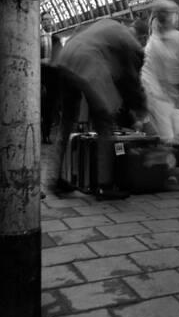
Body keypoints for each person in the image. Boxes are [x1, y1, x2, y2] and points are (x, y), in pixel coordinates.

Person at [49, 19, 148, 199]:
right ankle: (104, 185)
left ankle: (56, 180)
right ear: (143, 37)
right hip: (88, 62)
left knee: (67, 122)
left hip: (65, 57)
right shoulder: (134, 46)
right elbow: (131, 81)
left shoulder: (110, 26)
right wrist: (140, 110)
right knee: (104, 123)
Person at [141, 0, 179, 165]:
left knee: (175, 128)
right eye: (173, 15)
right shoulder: (156, 43)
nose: (175, 18)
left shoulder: (174, 37)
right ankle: (163, 166)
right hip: (155, 88)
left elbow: (176, 67)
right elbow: (166, 71)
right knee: (168, 131)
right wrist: (175, 95)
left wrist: (177, 94)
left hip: (163, 89)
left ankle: (168, 165)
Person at [40, 11, 62, 144]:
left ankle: (46, 134)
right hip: (42, 74)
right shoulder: (38, 37)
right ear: (41, 22)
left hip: (54, 76)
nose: (48, 22)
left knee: (51, 106)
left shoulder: (56, 37)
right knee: (42, 105)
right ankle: (43, 132)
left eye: (50, 19)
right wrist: (45, 61)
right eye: (45, 20)